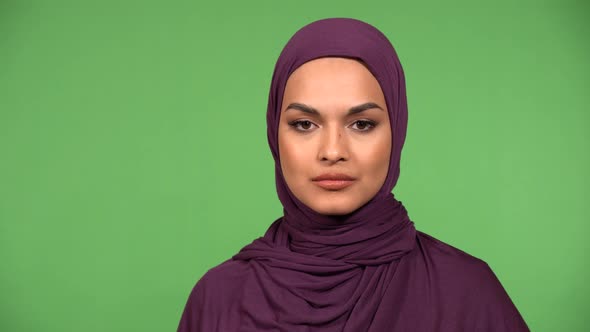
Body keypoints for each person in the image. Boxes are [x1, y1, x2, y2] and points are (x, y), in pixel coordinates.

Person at [177, 17, 530, 331]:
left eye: (362, 124)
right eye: (304, 124)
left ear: (397, 132)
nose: (333, 151)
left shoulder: (466, 292)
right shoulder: (218, 298)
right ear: (274, 134)